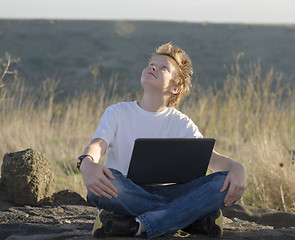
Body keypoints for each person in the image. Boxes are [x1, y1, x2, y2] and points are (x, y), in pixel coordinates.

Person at [77, 42, 247, 239]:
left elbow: (213, 160)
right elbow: (98, 144)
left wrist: (238, 167)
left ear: (176, 87)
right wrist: (87, 163)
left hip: (173, 193)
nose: (153, 67)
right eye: (151, 64)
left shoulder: (182, 123)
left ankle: (137, 225)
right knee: (100, 184)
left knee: (222, 181)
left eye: (163, 67)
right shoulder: (118, 112)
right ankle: (193, 219)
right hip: (125, 191)